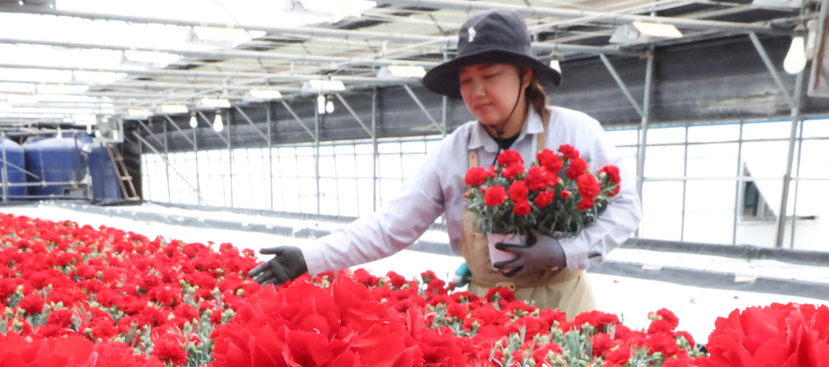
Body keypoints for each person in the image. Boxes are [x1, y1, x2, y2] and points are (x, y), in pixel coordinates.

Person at [247, 8, 641, 317]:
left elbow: (626, 207)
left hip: (564, 306)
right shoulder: (454, 151)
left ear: (524, 76)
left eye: (489, 75)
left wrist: (564, 252)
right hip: (488, 311)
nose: (476, 91)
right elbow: (392, 225)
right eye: (466, 80)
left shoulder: (575, 132)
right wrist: (309, 257)